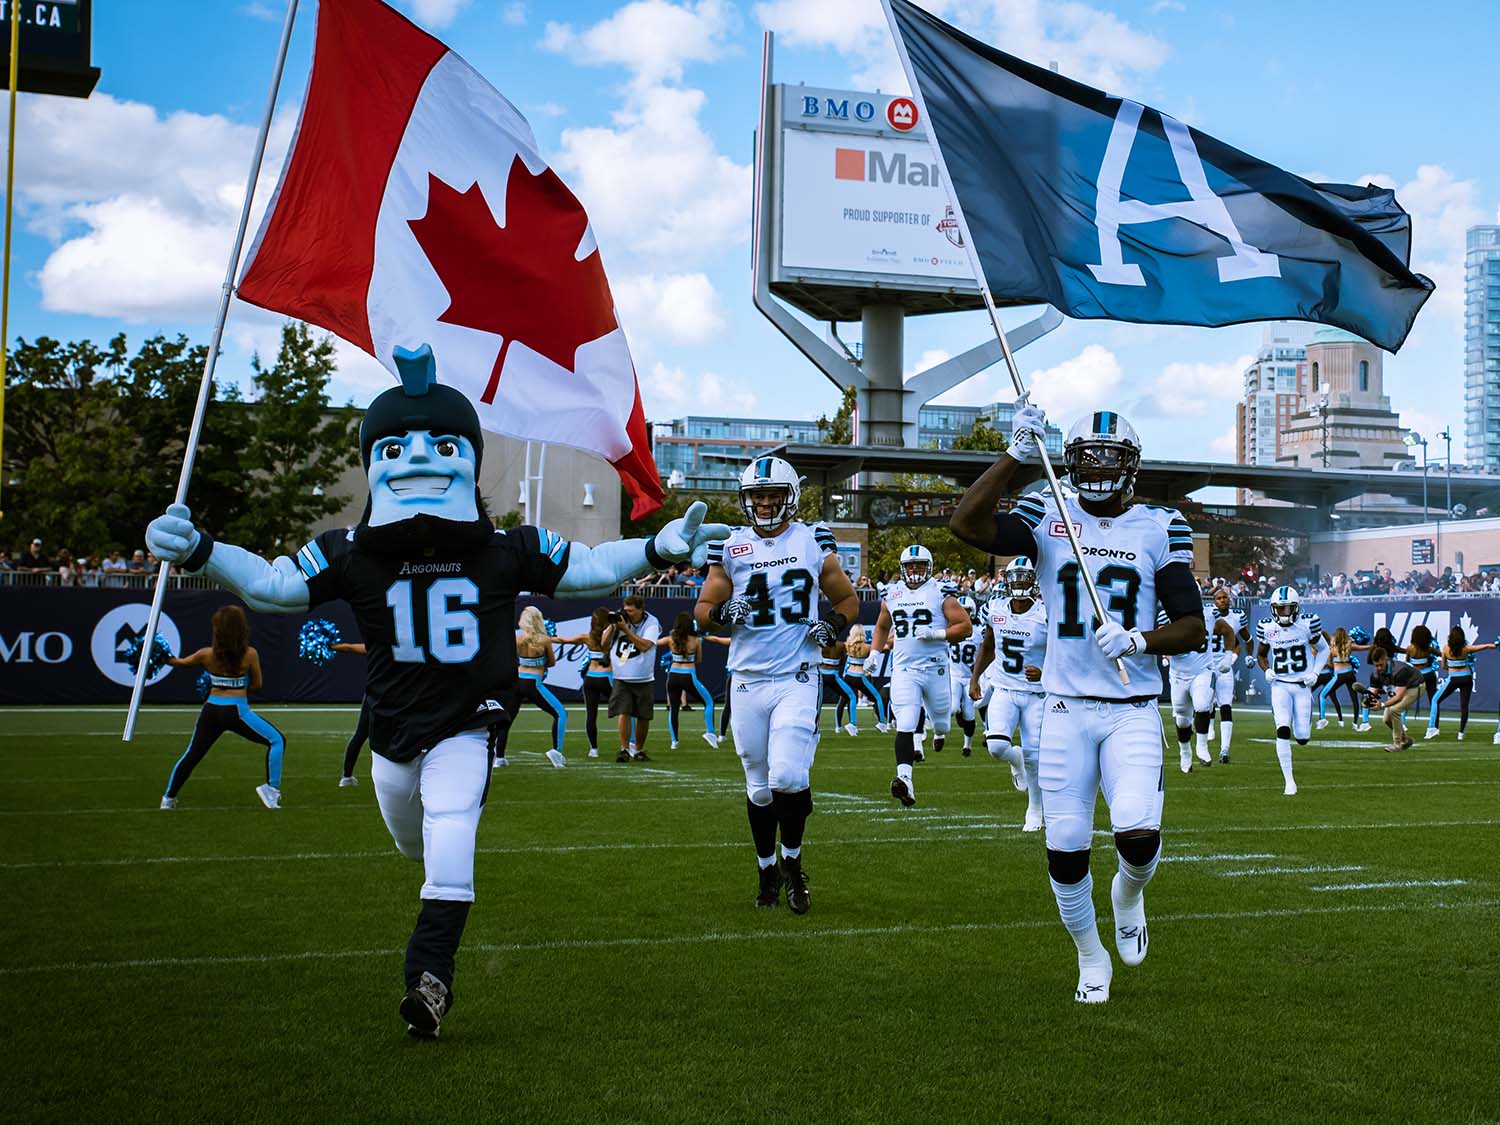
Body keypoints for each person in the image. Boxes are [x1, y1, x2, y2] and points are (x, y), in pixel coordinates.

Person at [145, 343, 726, 1040]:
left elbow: (590, 564)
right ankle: (432, 901)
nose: (420, 453)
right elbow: (272, 585)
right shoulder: (351, 550)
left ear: (469, 457)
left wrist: (656, 548)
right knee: (411, 840)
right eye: (399, 443)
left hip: (466, 723)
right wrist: (202, 547)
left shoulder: (501, 549)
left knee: (451, 830)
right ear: (373, 461)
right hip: (392, 729)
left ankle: (429, 980)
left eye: (440, 441)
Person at [949, 406, 1206, 1004]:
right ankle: (1091, 959)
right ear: (1068, 460)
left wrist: (1140, 639)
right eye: (1086, 455)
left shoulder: (1159, 525)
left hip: (1132, 705)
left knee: (1138, 838)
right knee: (1065, 850)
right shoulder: (1049, 510)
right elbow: (967, 524)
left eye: (1110, 457)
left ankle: (1128, 896)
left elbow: (1193, 626)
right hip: (1062, 707)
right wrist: (1014, 453)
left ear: (1132, 466)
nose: (1096, 467)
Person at [695, 455, 858, 914]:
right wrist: (722, 613)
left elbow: (846, 598)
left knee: (787, 775)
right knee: (760, 788)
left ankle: (792, 863)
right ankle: (766, 867)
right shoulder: (729, 544)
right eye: (758, 496)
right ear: (747, 500)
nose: (765, 504)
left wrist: (833, 625)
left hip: (797, 674)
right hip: (747, 678)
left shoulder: (811, 539)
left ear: (791, 497)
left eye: (773, 495)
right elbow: (703, 606)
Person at [160, 604, 287, 810]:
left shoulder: (205, 654)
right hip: (237, 711)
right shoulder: (250, 654)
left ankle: (168, 798)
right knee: (277, 741)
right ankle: (271, 790)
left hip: (210, 710)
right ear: (242, 629)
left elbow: (179, 662)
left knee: (192, 754)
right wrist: (239, 684)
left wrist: (159, 654)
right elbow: (257, 685)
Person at [872, 544, 971, 807]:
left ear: (929, 567)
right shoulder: (891, 594)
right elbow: (882, 625)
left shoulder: (941, 593)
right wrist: (874, 654)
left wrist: (936, 634)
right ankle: (905, 779)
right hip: (904, 669)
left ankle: (938, 732)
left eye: (919, 565)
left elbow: (966, 628)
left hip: (935, 669)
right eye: (910, 566)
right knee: (906, 720)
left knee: (942, 720)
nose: (914, 570)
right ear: (902, 569)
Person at [970, 555, 1048, 832]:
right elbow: (988, 646)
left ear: (1035, 581)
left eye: (1025, 577)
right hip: (1004, 687)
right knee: (997, 747)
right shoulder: (994, 608)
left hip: (1037, 693)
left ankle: (1035, 807)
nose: (1019, 583)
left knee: (1035, 756)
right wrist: (975, 677)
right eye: (1015, 577)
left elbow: (1063, 653)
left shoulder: (1045, 612)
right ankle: (1015, 762)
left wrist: (1045, 672)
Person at [1254, 586, 1327, 796]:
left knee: (1302, 736)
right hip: (1280, 685)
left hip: (1302, 686)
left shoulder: (1307, 624)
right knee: (1282, 729)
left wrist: (1315, 672)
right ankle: (1289, 782)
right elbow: (1261, 654)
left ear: (1296, 608)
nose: (1283, 613)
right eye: (1279, 609)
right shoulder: (1267, 628)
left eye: (1287, 609)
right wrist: (1266, 669)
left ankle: (1303, 728)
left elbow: (1324, 649)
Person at [1166, 606, 1238, 774]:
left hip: (1203, 670)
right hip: (1178, 674)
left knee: (1203, 704)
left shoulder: (1209, 615)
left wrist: (1229, 656)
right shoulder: (1169, 614)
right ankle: (1185, 752)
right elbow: (1161, 637)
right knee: (1182, 717)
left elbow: (1228, 631)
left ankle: (1202, 745)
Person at [659, 611, 727, 749]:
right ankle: (710, 733)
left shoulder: (670, 638)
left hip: (672, 675)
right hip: (688, 675)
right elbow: (699, 660)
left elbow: (652, 643)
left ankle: (674, 741)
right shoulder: (695, 640)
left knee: (673, 708)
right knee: (708, 702)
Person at [606, 595, 661, 762]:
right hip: (621, 676)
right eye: (626, 610)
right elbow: (603, 644)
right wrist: (612, 626)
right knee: (623, 712)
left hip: (643, 677)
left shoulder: (651, 622)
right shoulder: (620, 621)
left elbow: (645, 646)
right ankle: (624, 749)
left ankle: (638, 750)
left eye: (631, 611)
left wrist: (626, 629)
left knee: (643, 716)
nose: (628, 614)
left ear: (640, 610)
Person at [1425, 626, 1495, 740]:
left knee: (1435, 700)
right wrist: (1494, 645)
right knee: (1464, 706)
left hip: (1453, 678)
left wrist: (1452, 669)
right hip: (1467, 677)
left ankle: (1432, 727)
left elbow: (1443, 666)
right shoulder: (1466, 649)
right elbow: (1483, 646)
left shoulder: (1446, 649)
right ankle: (1461, 733)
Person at [1206, 587, 1250, 761]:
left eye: (1225, 597)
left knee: (1226, 706)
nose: (1223, 600)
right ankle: (1207, 732)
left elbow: (1247, 640)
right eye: (1219, 598)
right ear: (1213, 601)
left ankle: (1224, 750)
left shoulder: (1237, 617)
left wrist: (1236, 658)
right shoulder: (1205, 614)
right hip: (1206, 666)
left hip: (1224, 666)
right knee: (1204, 705)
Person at [1369, 647, 1425, 752]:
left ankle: (1397, 744)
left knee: (1395, 709)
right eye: (1376, 665)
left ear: (1386, 659)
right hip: (1398, 687)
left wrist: (1381, 705)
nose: (1379, 668)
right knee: (1386, 719)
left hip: (1415, 686)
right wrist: (1367, 702)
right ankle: (1406, 740)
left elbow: (1399, 696)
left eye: (1381, 665)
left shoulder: (1400, 670)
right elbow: (1372, 692)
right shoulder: (1375, 674)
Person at [331, 641, 370, 786]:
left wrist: (331, 646)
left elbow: (350, 647)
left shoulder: (375, 647)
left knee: (360, 735)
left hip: (374, 695)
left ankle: (346, 776)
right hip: (396, 696)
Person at [948, 595, 981, 756]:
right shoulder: (949, 629)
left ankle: (967, 745)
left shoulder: (978, 632)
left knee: (969, 714)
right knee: (953, 707)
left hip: (969, 678)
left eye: (965, 611)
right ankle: (938, 734)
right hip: (953, 675)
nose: (961, 613)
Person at [581, 608, 616, 759]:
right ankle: (631, 744)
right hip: (606, 676)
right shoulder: (612, 635)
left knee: (591, 715)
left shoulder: (587, 637)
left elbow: (563, 640)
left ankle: (593, 749)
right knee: (626, 710)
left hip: (589, 678)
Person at [843, 623, 889, 733]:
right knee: (877, 698)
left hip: (848, 675)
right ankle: (882, 723)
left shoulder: (847, 645)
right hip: (860, 676)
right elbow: (886, 647)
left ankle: (852, 724)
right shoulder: (867, 647)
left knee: (852, 698)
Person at [1315, 629, 1363, 731]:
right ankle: (1355, 723)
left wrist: (1334, 665)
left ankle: (1322, 719)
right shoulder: (1349, 646)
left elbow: (1329, 664)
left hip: (1339, 675)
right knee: (1354, 698)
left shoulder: (1331, 649)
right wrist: (1374, 646)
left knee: (1322, 695)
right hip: (1350, 673)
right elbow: (1363, 647)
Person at [817, 632, 860, 736]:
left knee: (816, 701)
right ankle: (850, 725)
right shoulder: (841, 645)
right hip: (833, 676)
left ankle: (815, 725)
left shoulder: (819, 644)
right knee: (852, 696)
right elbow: (842, 662)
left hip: (821, 675)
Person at [1406, 625, 1440, 708]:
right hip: (1429, 674)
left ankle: (1401, 721)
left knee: (1404, 699)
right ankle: (1434, 721)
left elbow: (1407, 660)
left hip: (1415, 675)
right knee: (1433, 699)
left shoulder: (1410, 648)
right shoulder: (1429, 649)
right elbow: (1441, 654)